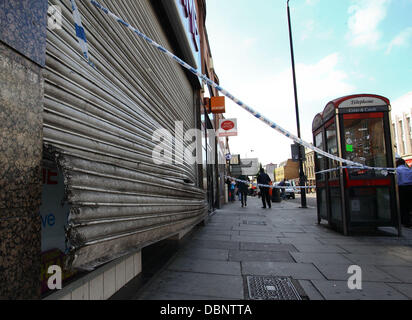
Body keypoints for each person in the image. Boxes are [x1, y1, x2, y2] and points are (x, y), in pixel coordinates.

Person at [396, 156, 412, 227]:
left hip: (401, 188)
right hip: (410, 187)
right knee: (409, 204)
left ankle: (405, 221)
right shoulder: (409, 169)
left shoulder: (397, 170)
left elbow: (397, 180)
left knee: (403, 205)